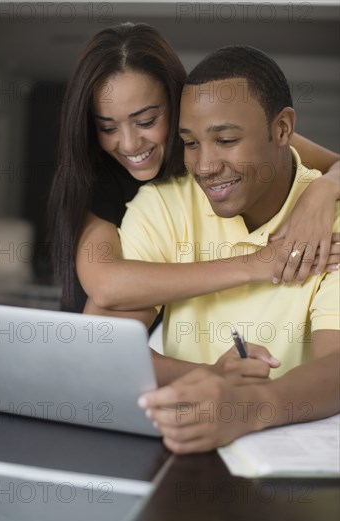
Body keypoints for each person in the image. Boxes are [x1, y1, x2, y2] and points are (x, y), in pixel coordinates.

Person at [110, 45, 340, 453]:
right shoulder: (163, 206)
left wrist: (250, 408)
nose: (204, 166)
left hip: (290, 461)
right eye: (191, 143)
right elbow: (107, 347)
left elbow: (336, 366)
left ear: (283, 130)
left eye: (227, 139)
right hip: (184, 448)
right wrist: (211, 378)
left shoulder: (331, 222)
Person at [47, 22, 340, 320]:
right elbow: (106, 286)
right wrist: (257, 264)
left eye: (146, 121)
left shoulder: (219, 133)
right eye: (107, 127)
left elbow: (332, 163)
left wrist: (321, 192)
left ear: (177, 104)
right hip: (97, 333)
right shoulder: (97, 178)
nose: (129, 144)